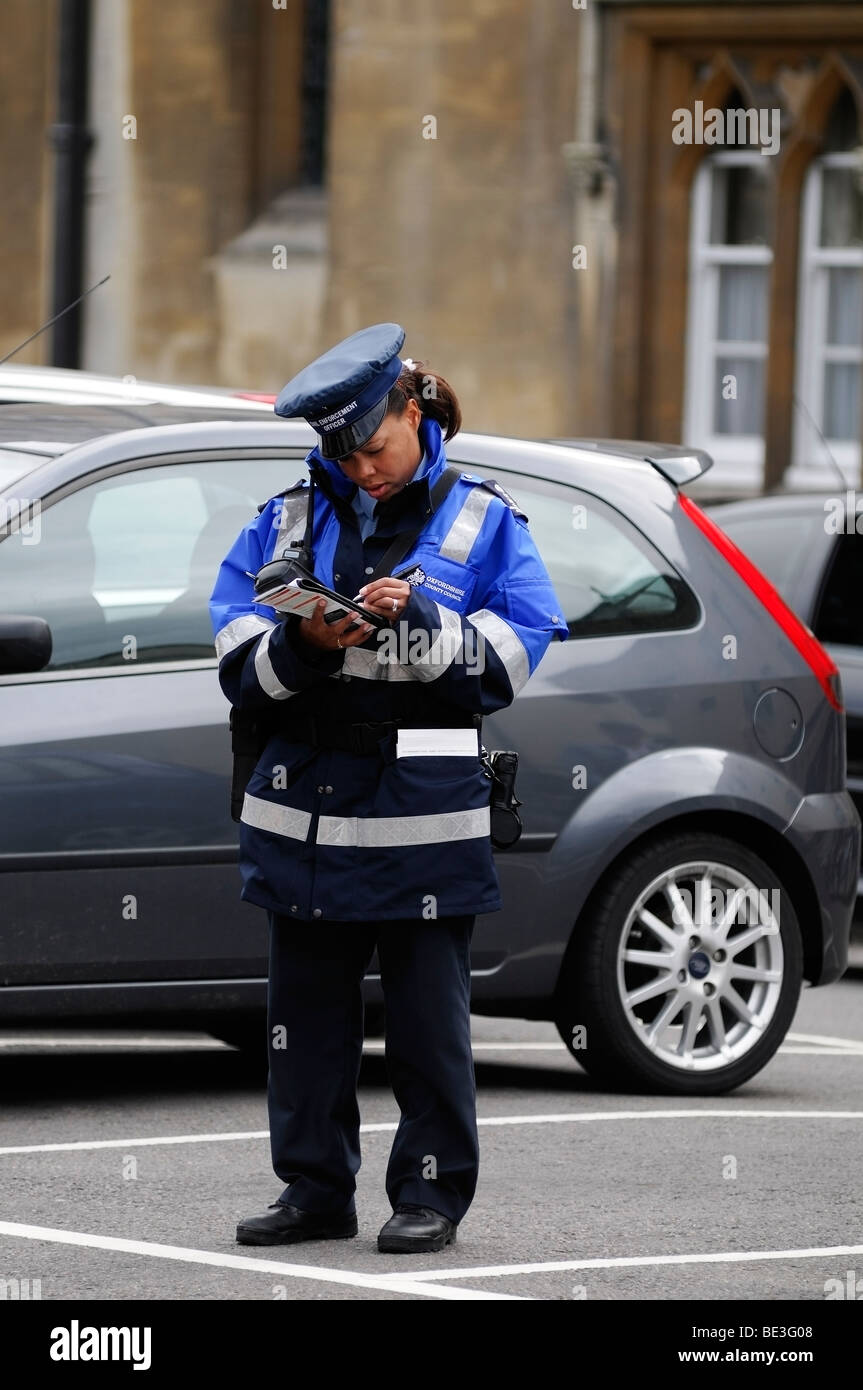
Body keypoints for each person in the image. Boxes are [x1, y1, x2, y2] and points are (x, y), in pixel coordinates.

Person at [208, 322, 567, 1254]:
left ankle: (430, 1198)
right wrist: (303, 642)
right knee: (306, 1031)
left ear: (414, 413)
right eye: (346, 454)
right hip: (305, 814)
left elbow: (511, 662)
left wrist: (434, 621)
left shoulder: (483, 520)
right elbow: (235, 654)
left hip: (425, 819)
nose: (364, 469)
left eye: (376, 445)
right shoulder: (285, 517)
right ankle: (314, 1191)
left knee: (426, 1031)